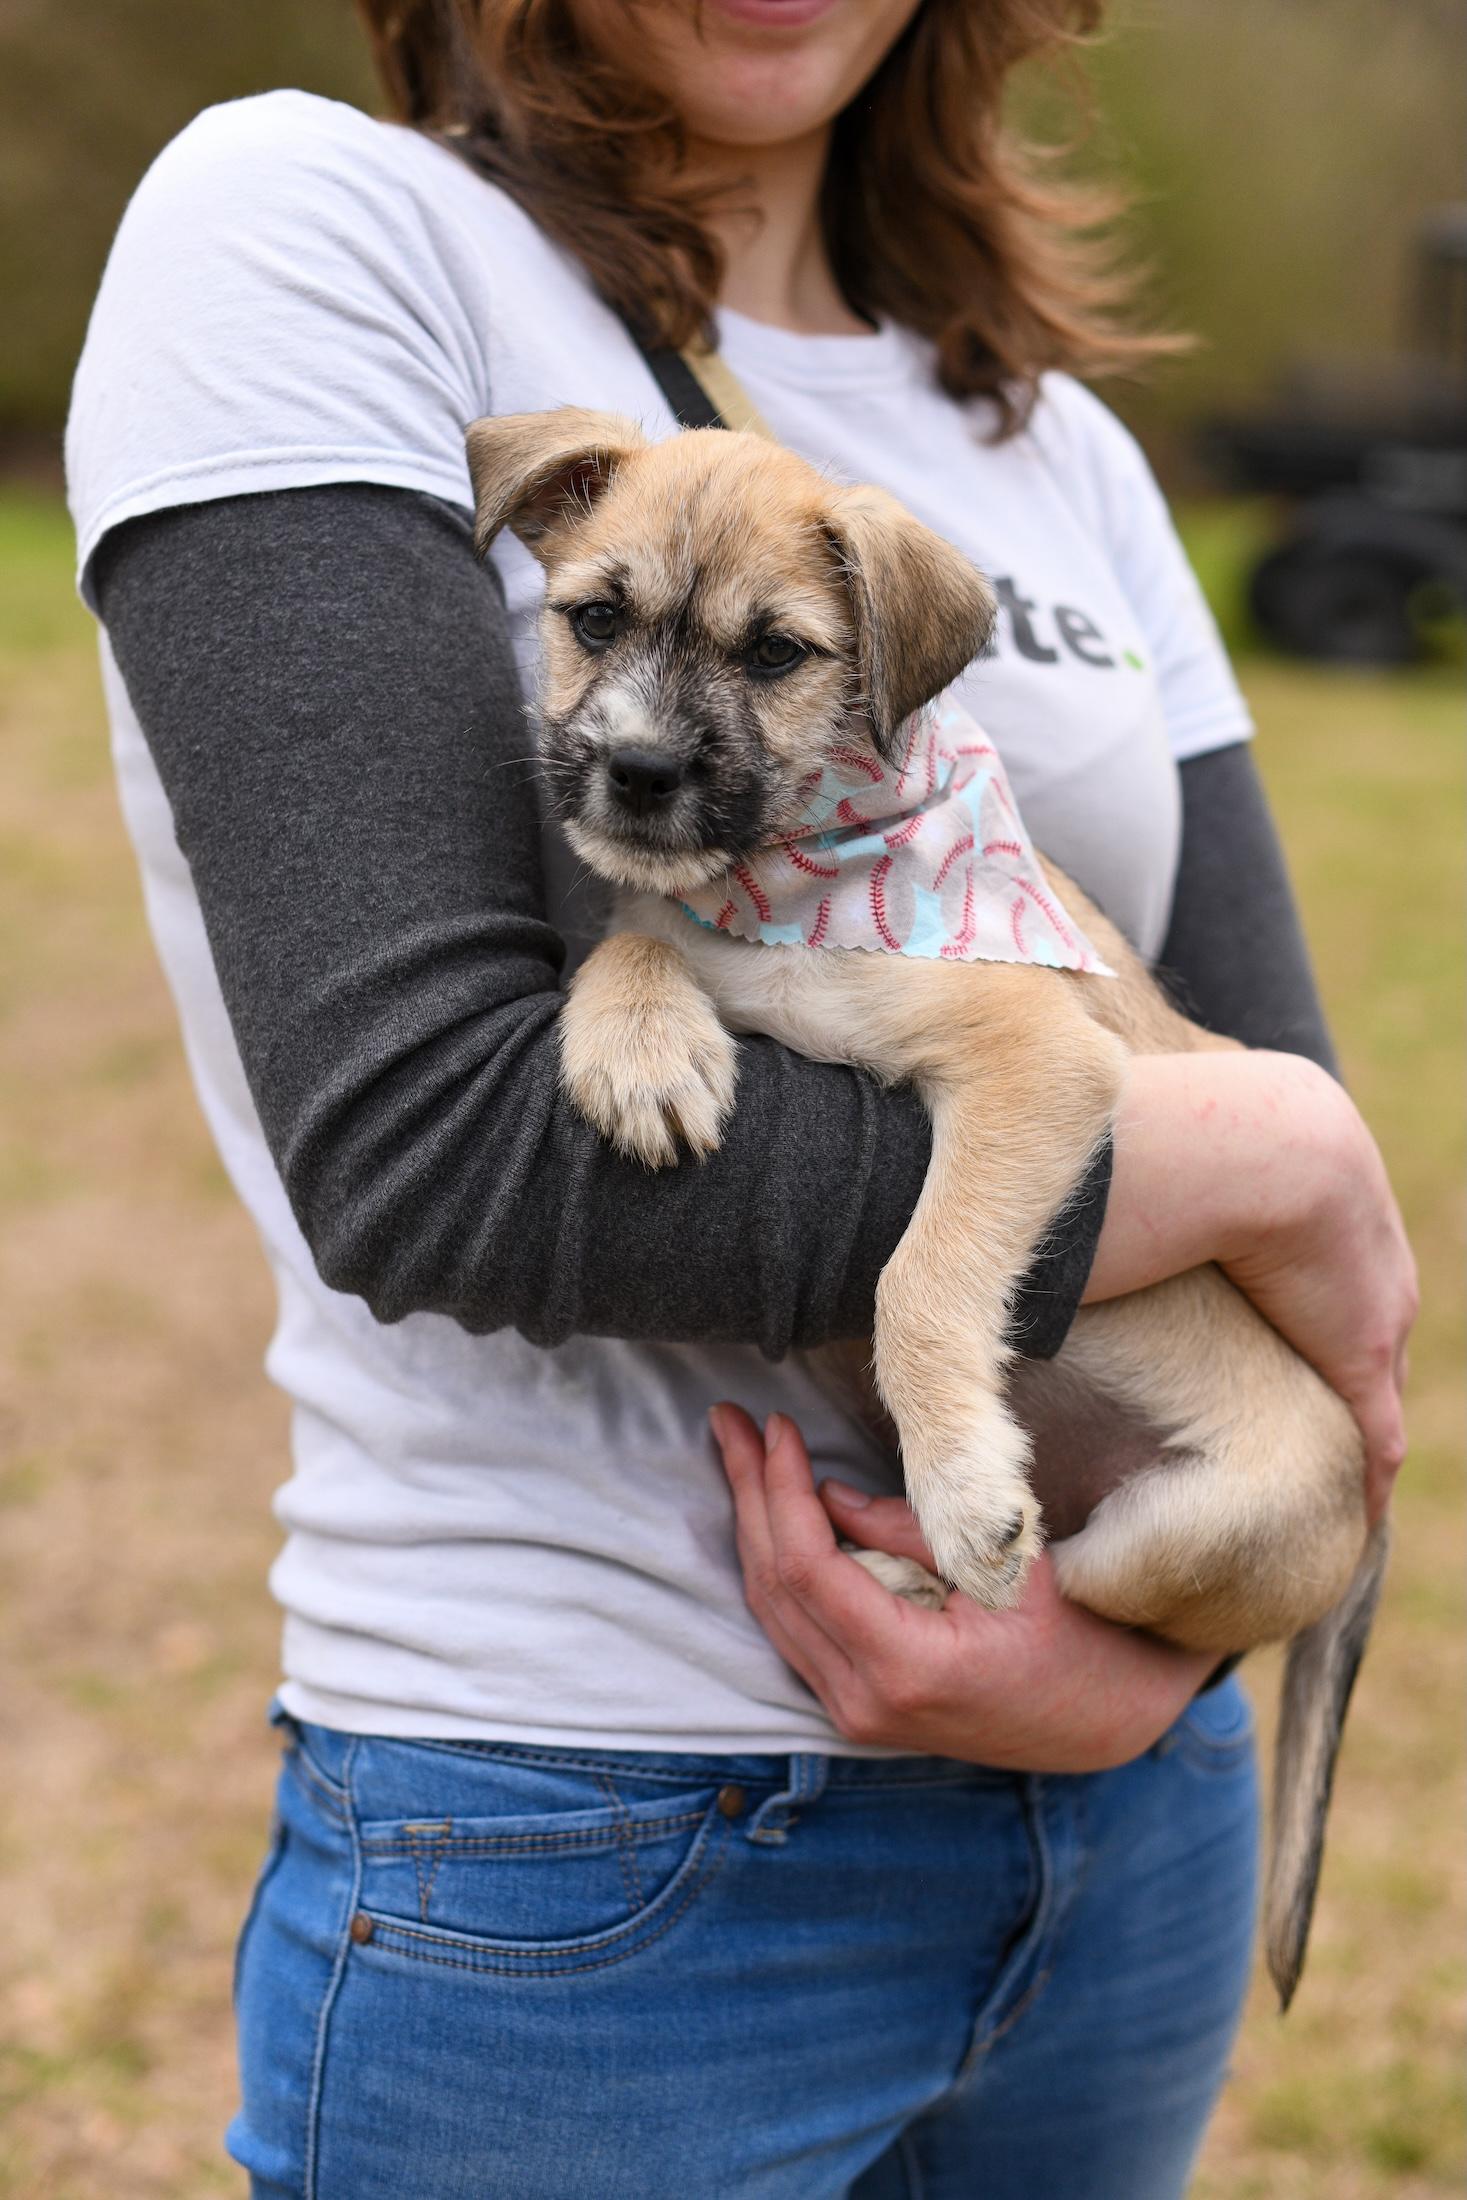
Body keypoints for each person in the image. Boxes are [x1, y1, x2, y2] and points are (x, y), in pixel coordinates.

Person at [65, 2, 1416, 2193]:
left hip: (1126, 1813)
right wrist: (1271, 1157)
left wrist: (1135, 1675)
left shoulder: (1053, 439)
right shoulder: (316, 227)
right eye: (596, 631)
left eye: (772, 661)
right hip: (591, 1830)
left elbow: (1258, 1081)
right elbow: (434, 1152)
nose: (637, 720)